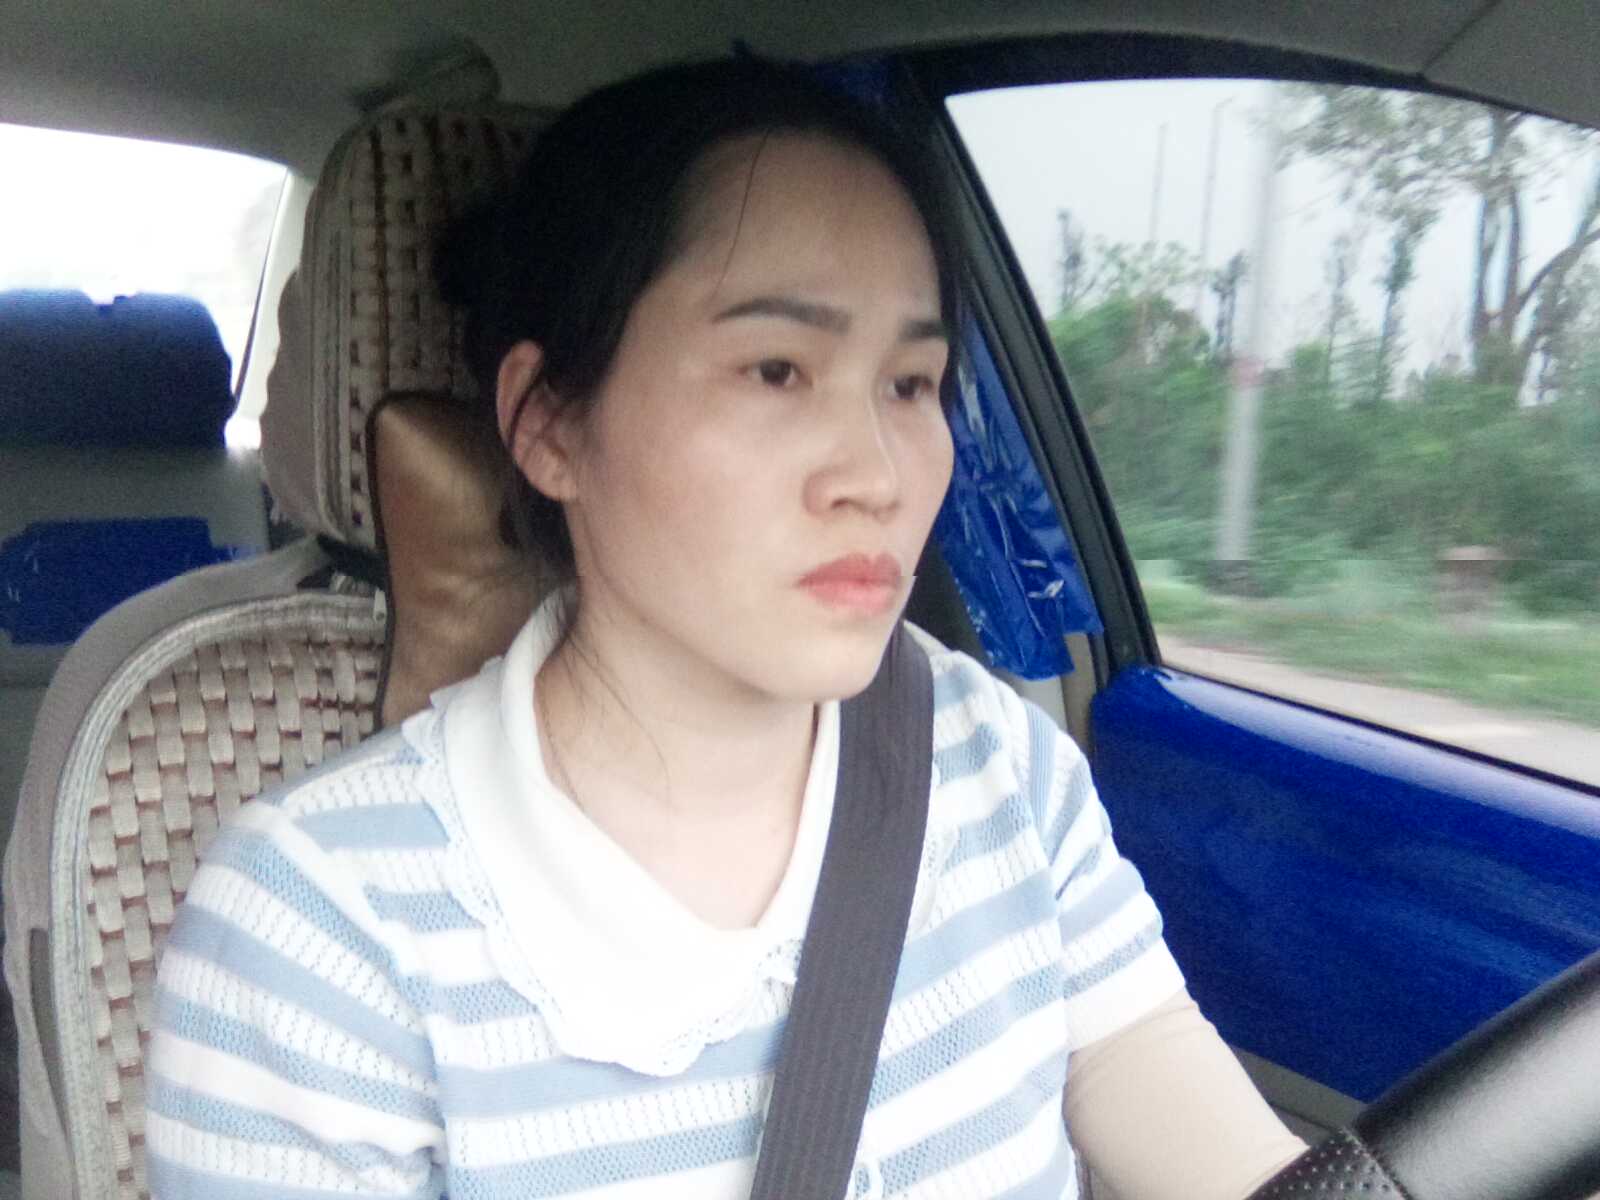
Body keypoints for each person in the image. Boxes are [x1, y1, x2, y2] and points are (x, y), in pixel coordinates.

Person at [146, 58, 1306, 1199]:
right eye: (775, 370)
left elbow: (1193, 1113)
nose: (878, 475)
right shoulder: (320, 929)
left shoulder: (996, 763)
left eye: (910, 384)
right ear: (548, 425)